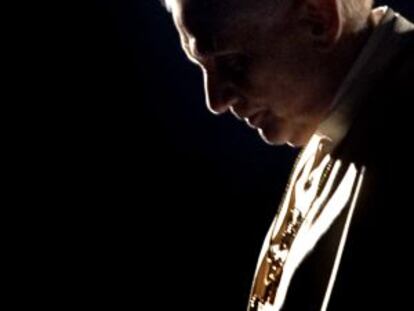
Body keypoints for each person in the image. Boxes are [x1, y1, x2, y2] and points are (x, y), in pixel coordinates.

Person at [161, 0, 414, 310]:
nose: (215, 100)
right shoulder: (341, 121)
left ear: (319, 18)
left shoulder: (402, 138)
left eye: (233, 63)